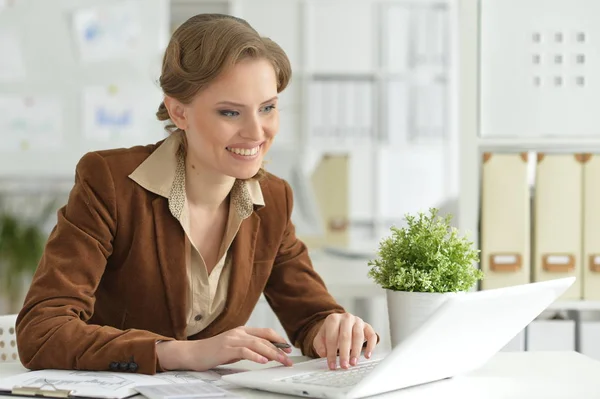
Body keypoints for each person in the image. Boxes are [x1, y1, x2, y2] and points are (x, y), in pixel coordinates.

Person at [15, 13, 378, 375]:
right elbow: (43, 332)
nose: (256, 132)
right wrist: (181, 353)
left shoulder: (274, 199)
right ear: (179, 111)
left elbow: (311, 316)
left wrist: (332, 330)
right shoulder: (110, 183)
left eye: (267, 107)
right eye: (230, 112)